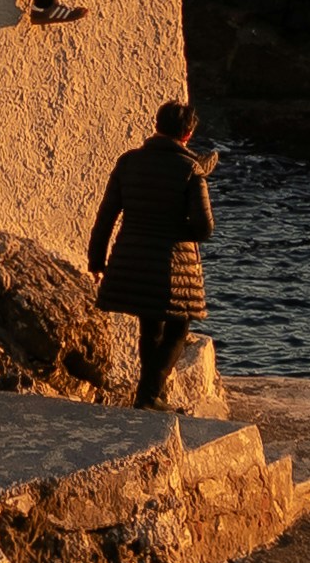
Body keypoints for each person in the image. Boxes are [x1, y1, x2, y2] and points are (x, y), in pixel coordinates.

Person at [86, 101, 219, 405]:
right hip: (173, 265)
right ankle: (149, 395)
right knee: (178, 327)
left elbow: (106, 216)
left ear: (157, 125)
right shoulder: (190, 170)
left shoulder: (129, 162)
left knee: (150, 327)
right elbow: (204, 228)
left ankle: (149, 397)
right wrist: (173, 227)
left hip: (132, 259)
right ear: (187, 134)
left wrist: (97, 260)